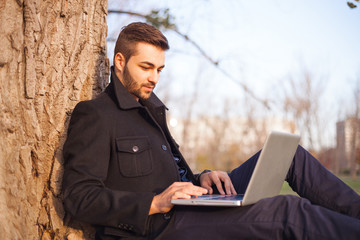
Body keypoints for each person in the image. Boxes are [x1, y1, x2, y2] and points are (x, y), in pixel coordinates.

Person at [62, 22, 360, 240]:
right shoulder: (97, 114)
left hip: (193, 202)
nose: (154, 78)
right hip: (162, 226)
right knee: (287, 211)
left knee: (291, 156)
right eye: (146, 67)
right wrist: (154, 203)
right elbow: (79, 196)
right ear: (120, 61)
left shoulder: (152, 108)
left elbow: (174, 175)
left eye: (160, 70)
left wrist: (202, 177)